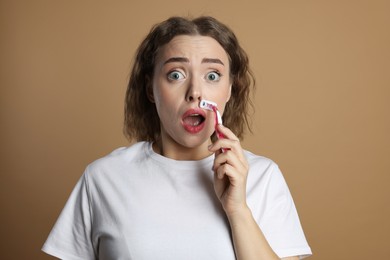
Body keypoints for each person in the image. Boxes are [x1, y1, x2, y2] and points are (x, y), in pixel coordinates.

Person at [42, 16, 312, 259]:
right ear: (150, 89)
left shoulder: (263, 177)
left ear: (230, 90)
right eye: (175, 74)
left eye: (212, 75)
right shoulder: (103, 177)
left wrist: (238, 210)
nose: (195, 91)